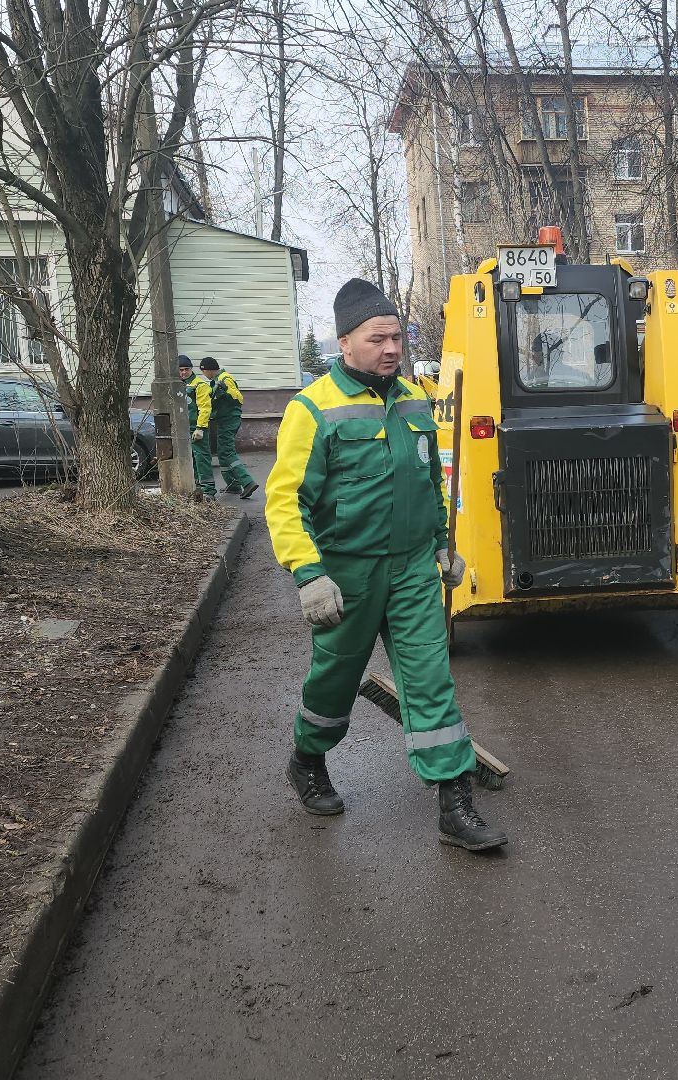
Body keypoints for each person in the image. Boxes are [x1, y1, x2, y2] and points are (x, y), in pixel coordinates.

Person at [263, 278, 508, 853]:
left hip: (412, 571)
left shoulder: (416, 400)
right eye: (379, 338)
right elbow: (285, 500)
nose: (392, 348)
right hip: (344, 575)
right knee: (334, 682)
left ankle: (455, 803)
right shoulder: (311, 408)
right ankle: (307, 760)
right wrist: (307, 573)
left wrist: (442, 544)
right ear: (345, 343)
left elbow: (430, 480)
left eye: (398, 336)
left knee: (431, 680)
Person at [198, 357, 259, 499]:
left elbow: (238, 397)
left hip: (229, 421)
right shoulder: (216, 380)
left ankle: (247, 482)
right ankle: (233, 485)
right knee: (222, 451)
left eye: (203, 371)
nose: (204, 375)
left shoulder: (225, 379)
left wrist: (225, 390)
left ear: (207, 370)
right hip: (224, 420)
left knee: (227, 452)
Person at [178, 355, 216, 498]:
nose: (183, 372)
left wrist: (200, 427)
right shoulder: (177, 385)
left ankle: (208, 491)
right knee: (190, 460)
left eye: (186, 369)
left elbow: (205, 407)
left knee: (202, 459)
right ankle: (197, 488)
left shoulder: (199, 385)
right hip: (183, 429)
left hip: (197, 428)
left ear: (191, 369)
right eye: (180, 370)